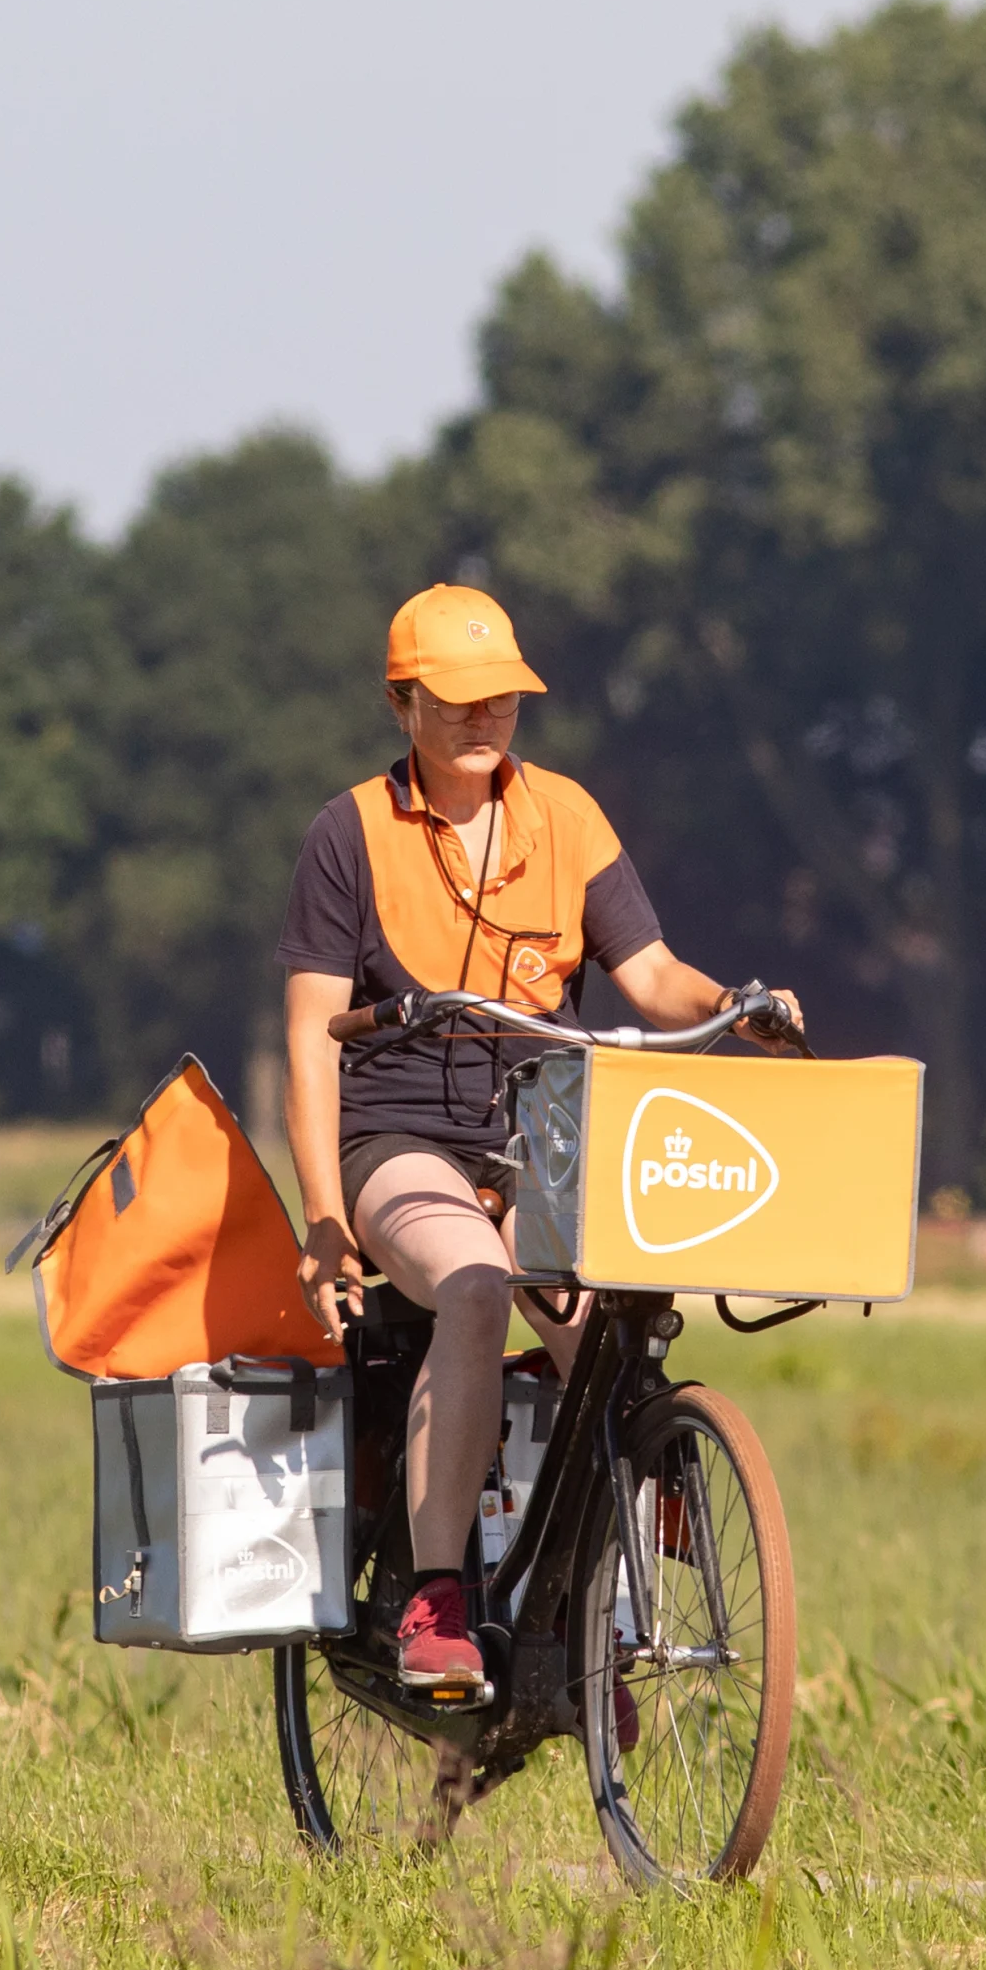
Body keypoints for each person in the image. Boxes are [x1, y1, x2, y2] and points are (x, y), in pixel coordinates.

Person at [275, 584, 795, 1690]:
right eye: (459, 701)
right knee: (470, 1281)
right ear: (403, 704)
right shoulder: (350, 831)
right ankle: (435, 1598)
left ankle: (589, 1584)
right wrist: (325, 1216)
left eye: (503, 698)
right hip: (400, 1140)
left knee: (615, 1321)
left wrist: (739, 1001)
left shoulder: (567, 814)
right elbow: (312, 1040)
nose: (485, 720)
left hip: (539, 1134)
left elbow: (653, 977)